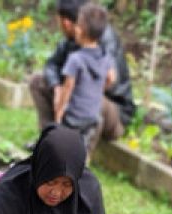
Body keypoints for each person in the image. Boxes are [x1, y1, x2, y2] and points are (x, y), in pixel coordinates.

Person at [30, 0, 135, 143]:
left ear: (66, 22)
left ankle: (78, 150)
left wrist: (72, 88)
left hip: (114, 113)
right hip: (80, 100)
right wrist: (57, 87)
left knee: (88, 95)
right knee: (38, 81)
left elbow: (110, 81)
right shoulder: (73, 38)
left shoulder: (103, 39)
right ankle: (49, 141)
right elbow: (52, 65)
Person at [54, 3, 113, 151]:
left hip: (74, 117)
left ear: (80, 31)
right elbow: (111, 78)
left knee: (63, 147)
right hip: (93, 116)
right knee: (83, 148)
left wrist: (59, 112)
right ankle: (82, 167)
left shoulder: (76, 59)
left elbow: (68, 88)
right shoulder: (105, 57)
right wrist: (98, 90)